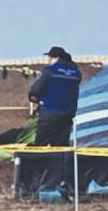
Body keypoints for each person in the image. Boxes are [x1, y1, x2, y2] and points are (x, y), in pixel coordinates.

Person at [27, 46, 82, 195]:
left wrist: (35, 99)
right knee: (61, 149)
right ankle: (59, 182)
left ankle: (36, 185)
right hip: (68, 114)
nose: (48, 60)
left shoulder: (49, 71)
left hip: (49, 113)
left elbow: (35, 91)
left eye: (49, 57)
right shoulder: (75, 73)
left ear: (55, 58)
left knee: (41, 147)